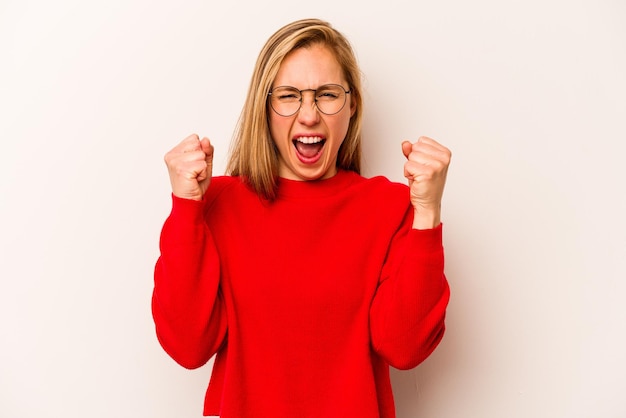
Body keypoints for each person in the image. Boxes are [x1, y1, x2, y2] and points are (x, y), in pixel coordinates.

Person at [152, 18, 451, 418]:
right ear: (266, 106)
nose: (309, 115)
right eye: (289, 96)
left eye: (327, 94)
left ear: (352, 104)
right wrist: (186, 206)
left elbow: (405, 347)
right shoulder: (218, 203)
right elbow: (188, 347)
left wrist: (428, 211)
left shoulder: (393, 208)